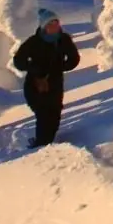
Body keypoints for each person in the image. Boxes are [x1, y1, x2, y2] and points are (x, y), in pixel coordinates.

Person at [13, 8, 80, 147]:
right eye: (50, 25)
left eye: (56, 24)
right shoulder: (33, 42)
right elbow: (18, 61)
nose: (54, 27)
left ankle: (47, 141)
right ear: (43, 27)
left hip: (55, 83)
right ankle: (41, 144)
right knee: (43, 114)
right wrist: (33, 68)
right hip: (35, 84)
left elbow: (74, 58)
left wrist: (63, 66)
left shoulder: (64, 39)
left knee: (55, 114)